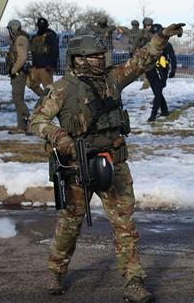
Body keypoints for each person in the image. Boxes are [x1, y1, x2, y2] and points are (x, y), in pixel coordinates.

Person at [29, 22, 184, 302]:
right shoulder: (62, 89)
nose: (101, 59)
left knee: (124, 224)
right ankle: (56, 270)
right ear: (78, 59)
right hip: (77, 167)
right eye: (95, 56)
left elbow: (142, 60)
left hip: (113, 163)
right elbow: (37, 120)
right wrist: (59, 138)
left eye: (102, 55)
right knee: (70, 224)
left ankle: (133, 282)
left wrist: (161, 38)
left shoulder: (114, 78)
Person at [145, 24, 176, 122]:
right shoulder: (148, 43)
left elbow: (173, 58)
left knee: (158, 93)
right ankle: (164, 111)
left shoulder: (167, 45)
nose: (155, 35)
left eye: (156, 33)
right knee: (157, 92)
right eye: (153, 33)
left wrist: (173, 70)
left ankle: (154, 115)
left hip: (162, 71)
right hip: (150, 70)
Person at [5, 20, 31, 134]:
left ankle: (31, 123)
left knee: (18, 99)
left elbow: (22, 57)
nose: (9, 32)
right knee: (18, 99)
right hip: (17, 72)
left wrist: (13, 70)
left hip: (19, 72)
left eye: (9, 29)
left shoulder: (20, 39)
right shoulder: (18, 38)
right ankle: (21, 126)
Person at [29, 17, 59, 96]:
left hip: (46, 68)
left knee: (49, 90)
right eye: (39, 24)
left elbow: (55, 52)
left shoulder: (50, 36)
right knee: (31, 84)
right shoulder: (35, 37)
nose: (41, 26)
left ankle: (50, 104)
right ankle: (44, 99)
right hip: (36, 67)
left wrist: (51, 65)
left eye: (42, 24)